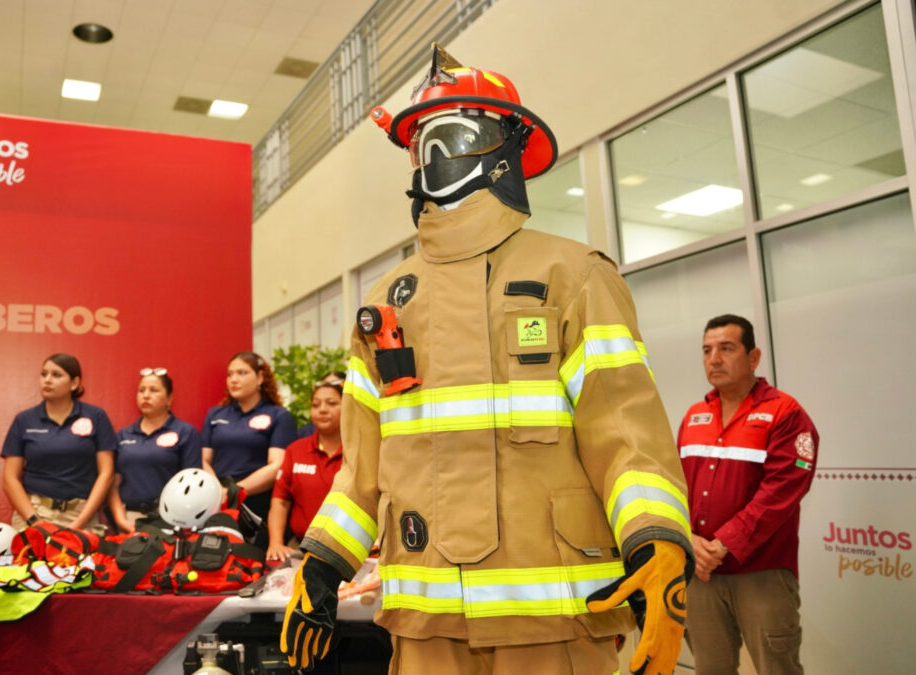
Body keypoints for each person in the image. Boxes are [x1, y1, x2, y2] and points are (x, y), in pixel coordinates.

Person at [281, 45, 692, 675]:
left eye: (452, 136)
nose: (433, 158)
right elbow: (363, 467)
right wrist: (322, 561)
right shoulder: (386, 299)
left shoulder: (573, 275)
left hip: (554, 612)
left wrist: (656, 540)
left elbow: (626, 436)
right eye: (420, 145)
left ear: (504, 147)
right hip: (425, 615)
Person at [678, 314, 818, 675]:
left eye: (727, 348)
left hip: (762, 572)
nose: (714, 359)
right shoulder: (694, 416)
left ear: (753, 358)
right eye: (707, 350)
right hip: (701, 574)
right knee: (710, 668)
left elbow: (781, 492)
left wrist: (722, 544)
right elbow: (674, 486)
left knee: (777, 667)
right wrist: (689, 539)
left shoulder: (785, 413)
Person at [1, 353, 117, 535]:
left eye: (56, 375)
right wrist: (35, 521)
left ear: (74, 383)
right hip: (34, 514)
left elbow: (106, 474)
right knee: (29, 564)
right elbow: (10, 479)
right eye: (44, 374)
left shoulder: (96, 417)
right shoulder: (24, 420)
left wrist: (80, 522)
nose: (47, 380)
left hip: (81, 514)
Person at [201, 351, 297, 526]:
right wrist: (218, 491)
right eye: (230, 374)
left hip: (258, 501)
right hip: (217, 498)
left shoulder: (279, 416)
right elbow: (203, 459)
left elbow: (277, 465)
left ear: (260, 378)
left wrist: (235, 491)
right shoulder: (215, 414)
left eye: (242, 373)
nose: (234, 379)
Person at [108, 368, 203, 533]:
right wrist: (120, 519)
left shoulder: (185, 432)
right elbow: (113, 483)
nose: (146, 395)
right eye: (141, 390)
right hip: (129, 519)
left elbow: (192, 485)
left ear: (169, 398)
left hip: (170, 520)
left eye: (154, 390)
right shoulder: (123, 435)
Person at [266, 381, 344, 563]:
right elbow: (280, 502)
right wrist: (276, 543)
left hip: (352, 550)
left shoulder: (361, 451)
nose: (322, 410)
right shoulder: (295, 450)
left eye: (331, 403)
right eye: (316, 405)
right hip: (302, 548)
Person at [295, 371, 346, 438]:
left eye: (331, 403)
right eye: (316, 404)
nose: (323, 409)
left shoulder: (359, 433)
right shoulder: (304, 434)